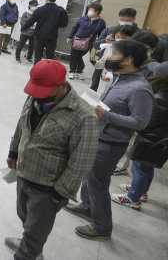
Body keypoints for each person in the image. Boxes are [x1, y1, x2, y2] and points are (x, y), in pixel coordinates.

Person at [5, 59, 99, 260]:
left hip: (48, 187)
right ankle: (31, 246)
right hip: (24, 173)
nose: (37, 94)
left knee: (36, 229)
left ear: (63, 85)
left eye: (44, 90)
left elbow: (82, 161)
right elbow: (21, 125)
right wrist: (13, 152)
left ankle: (29, 253)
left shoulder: (83, 116)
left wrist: (60, 193)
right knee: (25, 216)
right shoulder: (35, 96)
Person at [64, 40, 154, 240]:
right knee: (90, 175)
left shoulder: (139, 88)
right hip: (100, 136)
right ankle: (87, 206)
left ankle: (102, 227)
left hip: (111, 143)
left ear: (128, 60)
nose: (109, 58)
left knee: (98, 183)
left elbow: (140, 122)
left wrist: (104, 115)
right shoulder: (120, 77)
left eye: (114, 54)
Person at [111, 61, 168, 210]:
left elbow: (147, 123)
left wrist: (135, 129)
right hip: (157, 141)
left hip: (148, 140)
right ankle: (141, 192)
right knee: (147, 167)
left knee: (139, 168)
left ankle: (133, 198)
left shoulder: (160, 100)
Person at [110, 30, 161, 177]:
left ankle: (123, 167)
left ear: (152, 50)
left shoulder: (153, 68)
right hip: (123, 104)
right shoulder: (126, 60)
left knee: (133, 143)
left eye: (146, 48)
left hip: (139, 107)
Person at [90, 8, 138, 91]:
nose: (124, 22)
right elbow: (96, 45)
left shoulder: (138, 35)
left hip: (123, 80)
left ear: (134, 19)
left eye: (127, 20)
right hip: (105, 73)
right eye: (122, 19)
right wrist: (105, 40)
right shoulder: (110, 31)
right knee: (97, 88)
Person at [24, 0, 69, 64]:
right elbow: (64, 24)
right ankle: (48, 72)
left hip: (39, 36)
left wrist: (24, 28)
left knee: (38, 56)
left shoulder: (40, 9)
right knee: (50, 57)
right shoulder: (61, 10)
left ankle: (36, 71)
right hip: (52, 36)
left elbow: (31, 21)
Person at [66, 3, 106, 80]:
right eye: (89, 9)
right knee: (74, 57)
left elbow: (102, 34)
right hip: (77, 41)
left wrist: (100, 43)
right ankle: (72, 71)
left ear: (97, 11)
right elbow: (75, 28)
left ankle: (79, 72)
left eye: (91, 10)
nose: (89, 11)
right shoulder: (83, 18)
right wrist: (70, 37)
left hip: (88, 43)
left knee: (84, 58)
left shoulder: (100, 22)